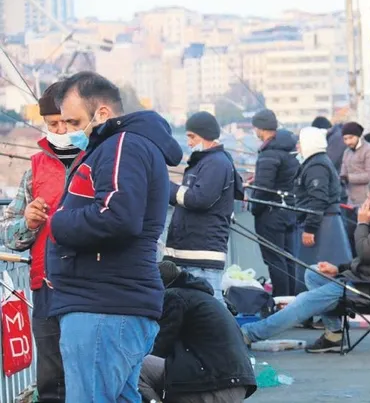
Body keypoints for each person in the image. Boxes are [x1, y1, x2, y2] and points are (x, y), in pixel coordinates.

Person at [46, 71, 183, 401]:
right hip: (112, 306)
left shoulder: (123, 145)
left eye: (74, 121)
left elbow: (118, 217)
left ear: (102, 113)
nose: (68, 130)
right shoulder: (122, 145)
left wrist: (57, 222)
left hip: (103, 308)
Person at [241, 178, 370, 353]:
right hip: (369, 280)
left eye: (368, 199)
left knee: (305, 300)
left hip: (369, 288)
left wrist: (362, 223)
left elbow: (365, 252)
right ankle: (334, 335)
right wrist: (339, 269)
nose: (365, 203)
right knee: (313, 273)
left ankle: (250, 333)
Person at [0, 81, 83, 403]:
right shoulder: (35, 169)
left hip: (92, 286)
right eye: (53, 124)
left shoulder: (102, 160)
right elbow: (8, 232)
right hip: (46, 286)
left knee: (90, 373)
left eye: (67, 122)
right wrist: (28, 222)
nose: (60, 131)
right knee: (51, 378)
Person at [139, 261, 256, 403]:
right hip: (235, 385)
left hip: (215, 387)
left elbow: (159, 346)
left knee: (135, 367)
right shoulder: (200, 298)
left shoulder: (174, 297)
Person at [164, 111, 243, 302]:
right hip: (188, 252)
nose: (189, 142)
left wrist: (165, 186)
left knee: (211, 307)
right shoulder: (205, 162)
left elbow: (199, 199)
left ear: (206, 135)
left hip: (202, 255)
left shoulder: (216, 163)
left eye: (192, 137)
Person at [294, 126, 352, 294]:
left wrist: (310, 228)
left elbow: (318, 199)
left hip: (322, 224)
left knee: (316, 269)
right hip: (326, 220)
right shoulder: (318, 162)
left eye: (300, 142)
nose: (298, 146)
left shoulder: (316, 166)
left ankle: (314, 304)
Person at [251, 109, 299, 297]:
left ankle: (280, 301)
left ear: (260, 128)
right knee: (288, 258)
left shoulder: (268, 154)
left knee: (275, 260)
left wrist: (255, 209)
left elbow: (263, 188)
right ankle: (291, 300)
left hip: (271, 214)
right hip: (288, 210)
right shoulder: (289, 150)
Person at [339, 121, 370, 206]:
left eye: (351, 138)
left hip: (366, 200)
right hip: (350, 199)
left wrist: (348, 178)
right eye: (345, 139)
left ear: (359, 136)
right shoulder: (347, 152)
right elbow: (343, 172)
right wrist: (341, 178)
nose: (348, 142)